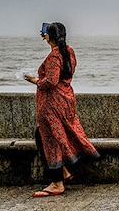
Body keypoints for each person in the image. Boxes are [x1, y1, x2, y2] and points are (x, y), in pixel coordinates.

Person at [23, 22, 99, 198]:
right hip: (66, 99)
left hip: (52, 103)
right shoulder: (69, 51)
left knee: (49, 139)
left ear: (48, 36)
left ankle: (57, 184)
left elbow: (50, 81)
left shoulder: (54, 57)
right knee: (49, 135)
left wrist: (34, 80)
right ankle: (64, 171)